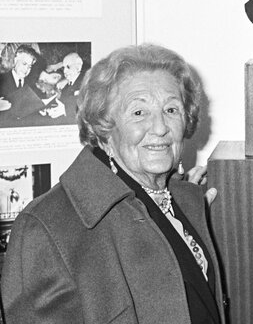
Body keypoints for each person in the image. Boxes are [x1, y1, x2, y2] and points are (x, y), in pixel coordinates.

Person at [1, 44, 226, 324]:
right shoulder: (47, 226)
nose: (160, 128)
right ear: (103, 127)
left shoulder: (184, 201)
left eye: (171, 109)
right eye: (138, 113)